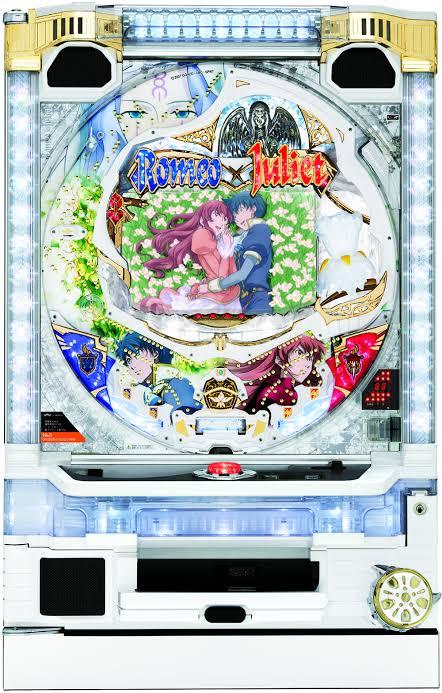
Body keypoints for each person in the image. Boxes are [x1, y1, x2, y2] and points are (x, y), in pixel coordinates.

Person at [137, 200, 241, 314]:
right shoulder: (203, 237)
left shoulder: (222, 240)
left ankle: (162, 305)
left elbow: (232, 273)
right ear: (203, 221)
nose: (222, 222)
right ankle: (159, 306)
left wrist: (228, 249)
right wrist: (227, 251)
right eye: (215, 217)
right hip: (216, 296)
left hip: (224, 293)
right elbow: (222, 278)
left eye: (224, 218)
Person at [191, 192, 272, 315]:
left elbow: (242, 274)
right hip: (242, 300)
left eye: (241, 210)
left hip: (257, 299)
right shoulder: (240, 236)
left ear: (253, 208)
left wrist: (210, 287)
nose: (237, 218)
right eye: (234, 214)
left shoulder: (259, 230)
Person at [113, 332, 202, 414]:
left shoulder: (178, 384)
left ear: (155, 353)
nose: (132, 365)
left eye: (137, 354)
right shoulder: (144, 390)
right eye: (128, 360)